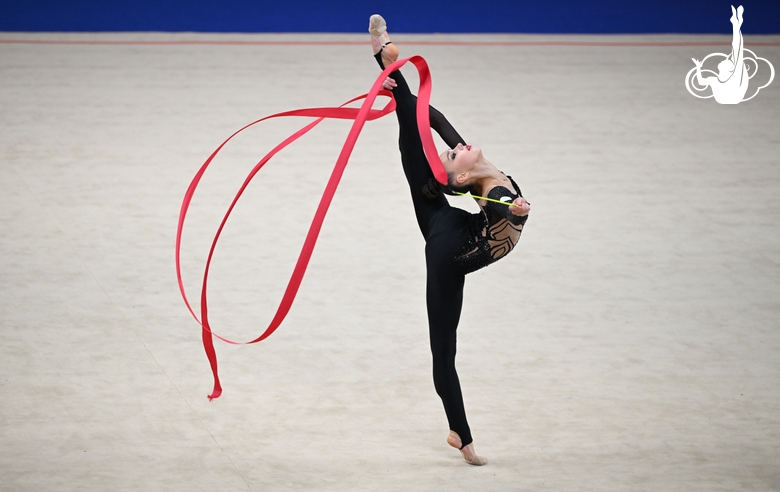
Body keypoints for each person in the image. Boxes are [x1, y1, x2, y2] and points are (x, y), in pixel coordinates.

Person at [369, 14, 530, 466]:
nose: (456, 147)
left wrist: (396, 82)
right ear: (459, 177)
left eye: (453, 150)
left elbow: (433, 117)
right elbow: (503, 205)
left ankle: (382, 53)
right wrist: (515, 210)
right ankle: (463, 434)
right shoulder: (484, 186)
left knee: (411, 126)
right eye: (452, 154)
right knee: (443, 348)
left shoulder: (475, 170)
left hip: (454, 228)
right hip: (449, 249)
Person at [692, 5, 748, 104]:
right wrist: (698, 67)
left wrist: (736, 26)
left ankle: (736, 24)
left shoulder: (733, 77)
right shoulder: (715, 80)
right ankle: (736, 24)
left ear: (728, 69)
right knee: (737, 52)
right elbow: (701, 82)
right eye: (727, 60)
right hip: (730, 97)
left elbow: (737, 48)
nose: (725, 59)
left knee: (737, 51)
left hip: (732, 97)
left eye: (726, 61)